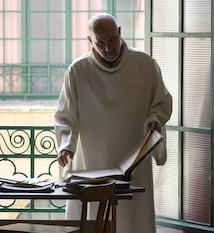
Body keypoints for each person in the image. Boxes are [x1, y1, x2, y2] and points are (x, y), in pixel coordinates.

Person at [54, 13, 172, 233]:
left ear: (119, 32)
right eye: (101, 43)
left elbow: (161, 102)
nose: (108, 48)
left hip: (134, 160)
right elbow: (65, 116)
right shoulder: (77, 71)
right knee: (93, 221)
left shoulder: (144, 64)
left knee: (133, 220)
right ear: (90, 41)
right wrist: (66, 146)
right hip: (91, 162)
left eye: (112, 40)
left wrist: (155, 120)